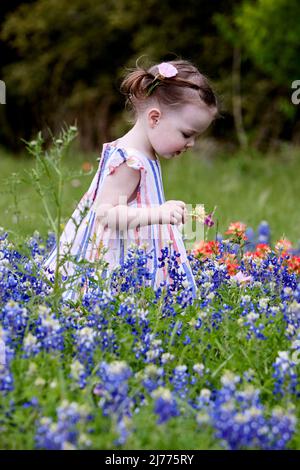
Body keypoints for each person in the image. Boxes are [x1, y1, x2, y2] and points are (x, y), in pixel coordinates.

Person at [43, 58, 219, 300]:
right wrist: (159, 213)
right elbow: (106, 213)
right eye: (187, 134)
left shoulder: (145, 154)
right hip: (110, 259)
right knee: (111, 306)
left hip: (132, 253)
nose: (191, 144)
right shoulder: (130, 160)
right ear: (155, 118)